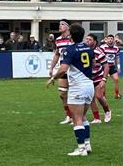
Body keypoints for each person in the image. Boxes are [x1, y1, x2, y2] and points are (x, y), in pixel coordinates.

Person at [46, 23, 94, 156]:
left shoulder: (69, 50)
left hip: (77, 87)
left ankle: (81, 149)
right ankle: (87, 145)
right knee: (83, 117)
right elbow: (93, 65)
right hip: (89, 86)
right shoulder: (89, 49)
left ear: (71, 36)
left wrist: (53, 78)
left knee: (76, 118)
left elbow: (63, 69)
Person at [48, 20, 74, 124]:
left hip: (73, 68)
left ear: (68, 27)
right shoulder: (58, 40)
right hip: (63, 68)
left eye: (62, 24)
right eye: (59, 24)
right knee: (62, 94)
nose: (60, 26)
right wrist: (51, 68)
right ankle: (69, 116)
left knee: (74, 94)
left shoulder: (73, 39)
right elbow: (57, 54)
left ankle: (76, 116)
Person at [85, 34, 112, 124]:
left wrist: (104, 79)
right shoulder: (84, 50)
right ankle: (97, 118)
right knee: (91, 98)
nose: (87, 41)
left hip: (98, 77)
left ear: (94, 41)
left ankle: (107, 111)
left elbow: (106, 66)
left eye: (90, 39)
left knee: (99, 96)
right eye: (86, 39)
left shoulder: (98, 52)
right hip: (88, 78)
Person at [100, 35, 122, 99]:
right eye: (109, 39)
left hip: (112, 66)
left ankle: (116, 95)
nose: (110, 40)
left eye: (111, 39)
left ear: (113, 40)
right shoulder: (102, 47)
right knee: (104, 81)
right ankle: (103, 96)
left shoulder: (116, 48)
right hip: (104, 67)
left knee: (116, 79)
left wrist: (118, 67)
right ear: (106, 40)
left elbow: (117, 58)